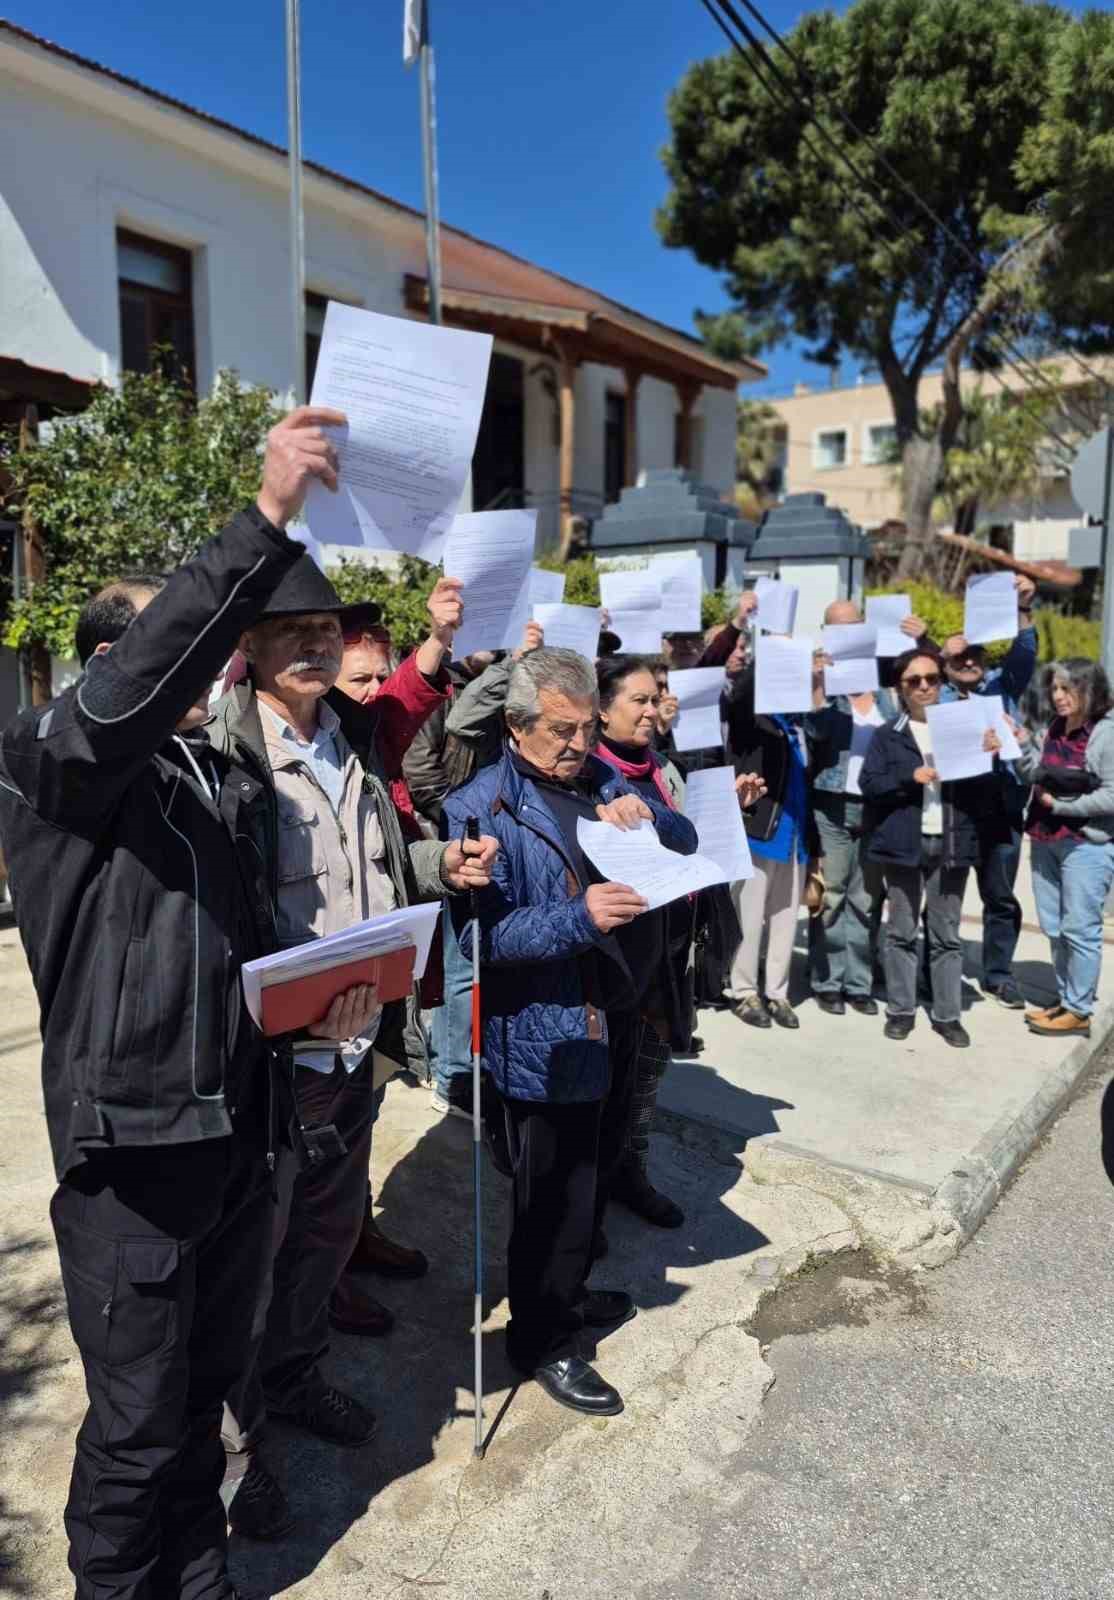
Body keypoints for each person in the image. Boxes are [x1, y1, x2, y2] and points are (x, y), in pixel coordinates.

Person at [0, 405, 343, 1600]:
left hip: (235, 1147)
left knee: (203, 1407)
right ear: (114, 664)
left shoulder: (214, 772)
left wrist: (325, 1002)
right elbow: (139, 683)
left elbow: (235, 954)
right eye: (182, 649)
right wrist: (263, 519)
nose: (214, 666)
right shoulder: (57, 758)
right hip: (132, 1159)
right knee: (137, 1434)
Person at [213, 559, 495, 1534]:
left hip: (351, 1051)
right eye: (290, 627)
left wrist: (437, 864)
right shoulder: (222, 757)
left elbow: (376, 865)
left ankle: (292, 1380)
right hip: (266, 1070)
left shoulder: (349, 747)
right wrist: (288, 1010)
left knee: (324, 1239)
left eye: (326, 626)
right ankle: (234, 1456)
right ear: (245, 645)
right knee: (246, 1263)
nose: (316, 642)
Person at [442, 648, 697, 1416]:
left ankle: (569, 1294)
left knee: (594, 1170)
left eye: (588, 728)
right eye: (561, 730)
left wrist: (648, 813)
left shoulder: (600, 779)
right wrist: (578, 919)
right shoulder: (479, 808)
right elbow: (484, 942)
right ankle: (542, 1340)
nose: (579, 745)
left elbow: (685, 844)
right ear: (517, 727)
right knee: (550, 1193)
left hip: (616, 1014)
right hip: (544, 1029)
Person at [859, 646, 1003, 1048]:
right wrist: (911, 776)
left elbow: (984, 795)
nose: (924, 687)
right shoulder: (888, 735)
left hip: (952, 841)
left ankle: (947, 1015)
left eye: (932, 679)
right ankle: (901, 1010)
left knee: (946, 934)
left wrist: (988, 755)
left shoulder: (963, 727)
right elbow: (870, 785)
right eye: (914, 681)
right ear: (900, 689)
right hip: (904, 842)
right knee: (901, 931)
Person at [938, 573, 1038, 1009]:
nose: (967, 661)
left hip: (1002, 803)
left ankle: (998, 974)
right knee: (945, 896)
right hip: (955, 809)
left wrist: (1022, 608)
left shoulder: (1002, 686)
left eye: (974, 653)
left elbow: (1025, 652)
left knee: (1000, 895)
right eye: (957, 657)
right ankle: (937, 969)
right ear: (941, 663)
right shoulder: (933, 697)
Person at [804, 599, 894, 1016]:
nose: (844, 635)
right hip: (833, 803)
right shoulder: (825, 681)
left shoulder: (886, 687)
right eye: (835, 628)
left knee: (866, 897)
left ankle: (860, 983)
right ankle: (827, 980)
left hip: (876, 806)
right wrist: (818, 686)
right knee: (833, 893)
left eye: (852, 627)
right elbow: (815, 732)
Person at [1018, 659, 1114, 1039]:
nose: (1057, 696)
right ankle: (1066, 998)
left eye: (1066, 689)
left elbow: (1111, 794)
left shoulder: (1105, 734)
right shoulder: (1053, 728)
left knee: (1080, 928)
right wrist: (1019, 743)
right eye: (1054, 689)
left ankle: (1079, 1009)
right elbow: (1032, 774)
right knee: (1054, 926)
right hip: (1045, 839)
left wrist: (1062, 807)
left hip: (1085, 845)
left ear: (1089, 690)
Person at [722, 657, 817, 1030]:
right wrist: (767, 657)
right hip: (760, 834)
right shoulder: (754, 723)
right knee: (748, 918)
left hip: (795, 838)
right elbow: (740, 697)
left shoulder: (799, 726)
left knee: (784, 919)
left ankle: (777, 992)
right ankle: (743, 991)